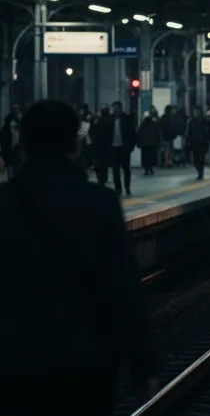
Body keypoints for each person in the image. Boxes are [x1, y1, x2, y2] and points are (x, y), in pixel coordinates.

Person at [0, 100, 157, 414]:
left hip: (14, 358)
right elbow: (125, 288)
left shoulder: (5, 204)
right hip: (85, 360)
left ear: (25, 143)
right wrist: (144, 366)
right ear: (73, 143)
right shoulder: (100, 202)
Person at [136, 109, 162, 176]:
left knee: (145, 156)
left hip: (144, 144)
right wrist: (159, 143)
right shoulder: (154, 125)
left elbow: (139, 134)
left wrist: (138, 143)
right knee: (151, 156)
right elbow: (158, 134)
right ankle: (150, 167)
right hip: (152, 144)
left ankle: (147, 168)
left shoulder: (143, 125)